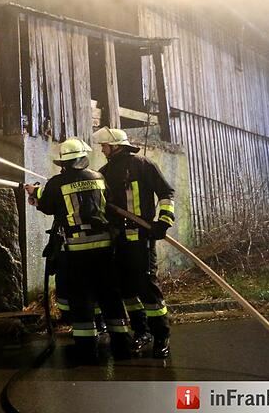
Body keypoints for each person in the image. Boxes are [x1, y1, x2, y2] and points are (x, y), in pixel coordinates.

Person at [25, 138, 132, 362]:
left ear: (63, 162)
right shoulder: (99, 178)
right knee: (110, 297)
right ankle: (122, 345)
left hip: (76, 252)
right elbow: (108, 205)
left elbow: (47, 206)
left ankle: (86, 349)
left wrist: (35, 193)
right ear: (83, 159)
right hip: (104, 250)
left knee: (81, 299)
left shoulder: (56, 183)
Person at [93, 126, 175, 359]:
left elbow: (166, 193)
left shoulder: (142, 165)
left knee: (147, 288)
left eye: (105, 146)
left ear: (116, 146)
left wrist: (164, 221)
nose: (102, 149)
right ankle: (142, 331)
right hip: (118, 240)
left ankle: (161, 336)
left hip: (142, 237)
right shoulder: (104, 172)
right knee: (127, 289)